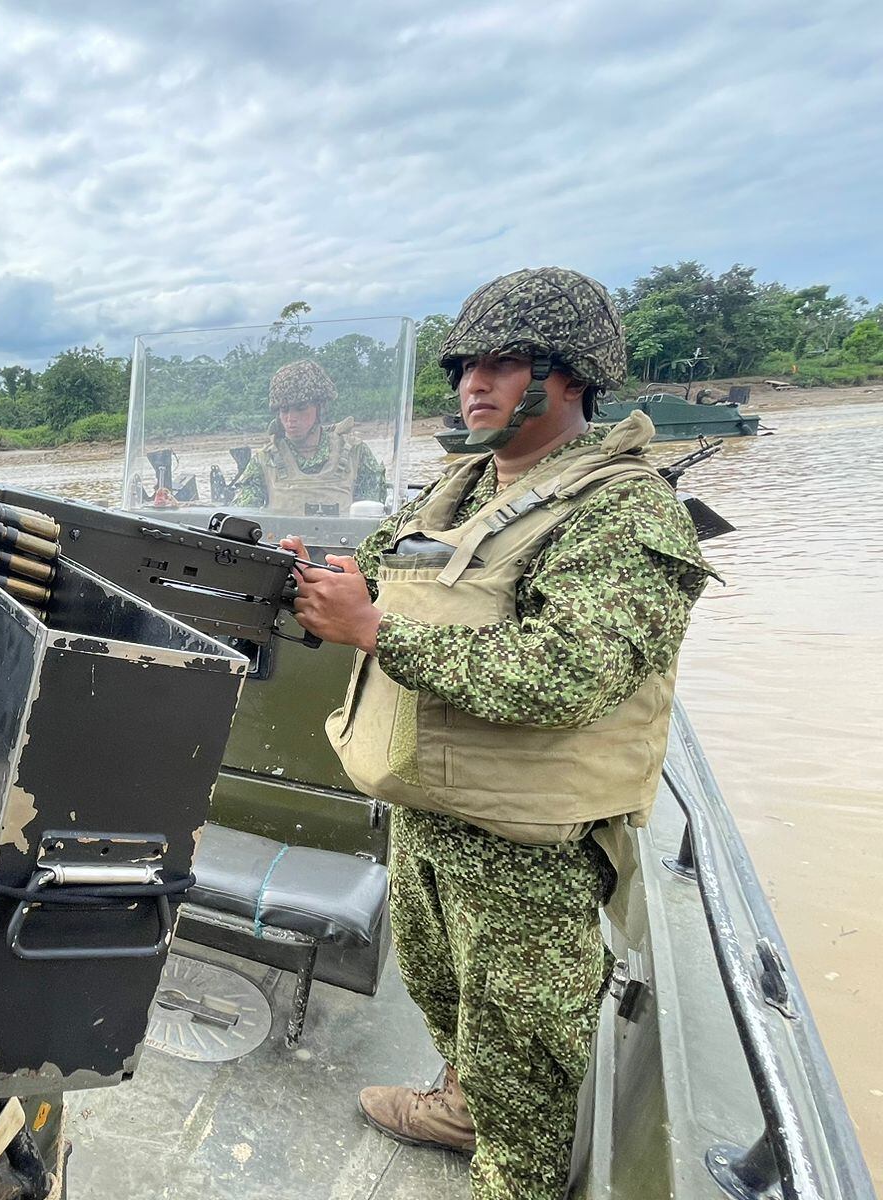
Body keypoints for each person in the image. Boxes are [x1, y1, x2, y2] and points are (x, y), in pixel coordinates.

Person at [283, 267, 715, 1200]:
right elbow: (368, 569)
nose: (473, 384)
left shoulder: (623, 507)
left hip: (527, 850)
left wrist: (375, 630)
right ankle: (462, 1105)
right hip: (430, 807)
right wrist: (316, 579)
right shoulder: (460, 484)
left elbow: (570, 673)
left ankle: (510, 1168)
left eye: (504, 364)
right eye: (465, 366)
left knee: (525, 1067)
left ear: (569, 379)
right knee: (446, 1004)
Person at [231, 359, 386, 513]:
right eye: (284, 410)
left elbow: (372, 517)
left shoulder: (355, 453)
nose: (291, 418)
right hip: (280, 538)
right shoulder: (265, 460)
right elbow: (240, 518)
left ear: (320, 408)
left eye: (301, 408)